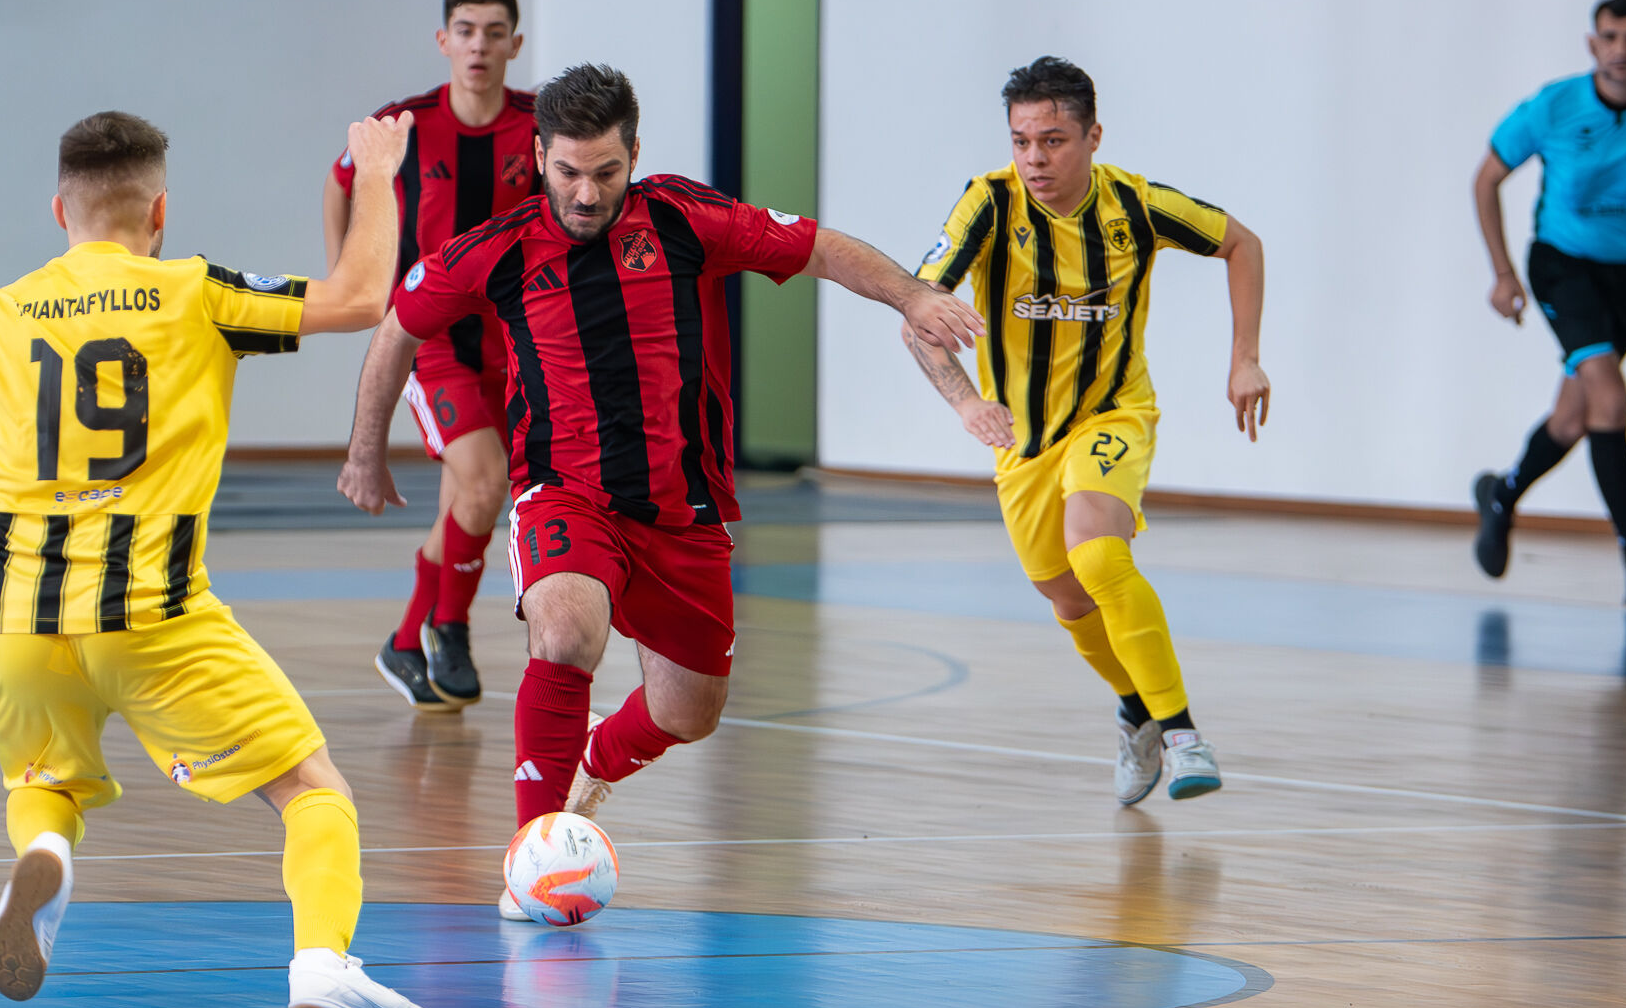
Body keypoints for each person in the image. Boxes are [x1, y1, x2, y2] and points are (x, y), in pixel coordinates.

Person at [0, 110, 432, 1008]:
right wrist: (380, 170)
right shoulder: (195, 292)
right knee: (313, 788)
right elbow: (359, 296)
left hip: (17, 621)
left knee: (45, 779)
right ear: (162, 212)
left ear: (59, 209)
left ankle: (50, 857)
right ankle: (323, 964)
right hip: (154, 617)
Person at [337, 63, 984, 918]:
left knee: (690, 710)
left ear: (634, 154)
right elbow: (397, 327)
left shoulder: (684, 217)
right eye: (568, 171)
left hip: (685, 507)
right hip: (563, 489)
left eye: (606, 171)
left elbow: (819, 246)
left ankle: (591, 777)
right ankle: (533, 856)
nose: (585, 190)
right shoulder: (497, 249)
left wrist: (912, 294)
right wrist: (365, 450)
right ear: (539, 158)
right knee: (566, 630)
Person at [903, 56, 1269, 805]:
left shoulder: (1135, 204)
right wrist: (966, 402)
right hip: (1022, 440)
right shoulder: (989, 204)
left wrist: (1245, 359)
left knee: (1100, 553)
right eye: (1022, 141)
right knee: (1068, 599)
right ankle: (1136, 708)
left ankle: (1181, 732)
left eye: (1054, 139)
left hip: (1113, 413)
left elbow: (1243, 244)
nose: (1035, 158)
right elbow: (918, 310)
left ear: (1093, 136)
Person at [324, 0, 539, 710]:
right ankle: (448, 623)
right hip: (434, 341)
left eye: (494, 31)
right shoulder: (404, 125)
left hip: (514, 343)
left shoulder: (542, 126)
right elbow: (339, 180)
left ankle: (407, 638)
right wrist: (350, 273)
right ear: (443, 41)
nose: (479, 44)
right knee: (484, 483)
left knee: (467, 498)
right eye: (465, 29)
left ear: (516, 42)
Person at [1471, 0, 1626, 604]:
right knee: (1610, 398)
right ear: (1592, 44)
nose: (1621, 50)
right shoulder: (1554, 106)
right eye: (1609, 37)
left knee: (1574, 416)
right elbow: (1486, 179)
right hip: (1562, 266)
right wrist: (1504, 274)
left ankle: (1500, 495)